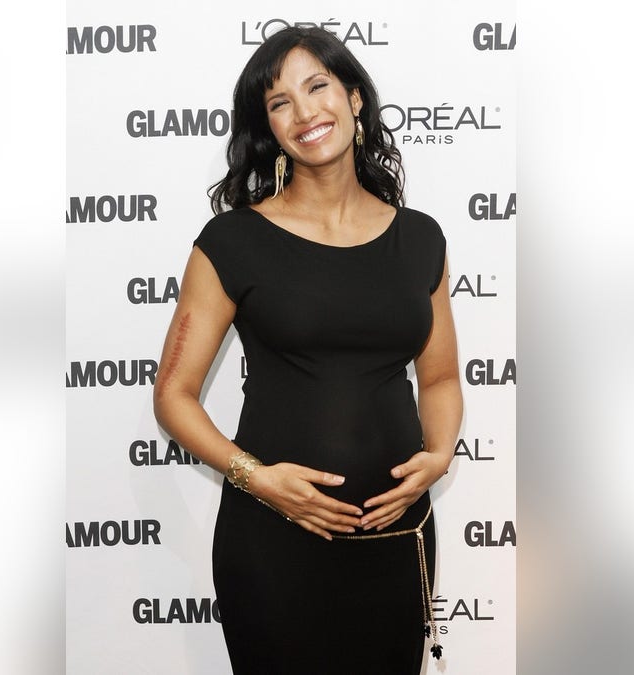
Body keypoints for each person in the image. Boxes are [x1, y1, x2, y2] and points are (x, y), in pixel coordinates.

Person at [153, 26, 463, 675]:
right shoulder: (234, 240)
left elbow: (438, 379)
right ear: (268, 127)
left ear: (354, 98)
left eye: (317, 86)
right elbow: (173, 396)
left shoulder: (420, 238)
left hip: (397, 537)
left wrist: (437, 456)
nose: (305, 111)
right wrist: (259, 480)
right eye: (280, 102)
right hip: (274, 542)